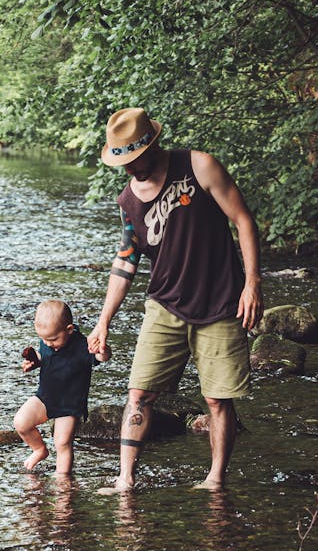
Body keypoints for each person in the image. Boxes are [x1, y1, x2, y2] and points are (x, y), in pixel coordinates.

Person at [86, 108, 264, 493]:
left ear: (153, 145)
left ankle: (215, 480)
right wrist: (103, 322)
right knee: (138, 394)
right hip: (164, 305)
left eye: (135, 160)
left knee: (217, 400)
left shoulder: (199, 167)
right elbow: (125, 262)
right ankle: (125, 480)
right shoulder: (128, 201)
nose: (131, 170)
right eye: (124, 163)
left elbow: (244, 221)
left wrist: (252, 284)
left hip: (220, 303)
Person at [14, 299, 110, 475]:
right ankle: (39, 450)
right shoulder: (48, 339)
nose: (48, 343)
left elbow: (100, 359)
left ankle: (62, 478)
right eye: (43, 339)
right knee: (21, 422)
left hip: (69, 404)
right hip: (45, 397)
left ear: (69, 330)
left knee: (62, 442)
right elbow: (46, 356)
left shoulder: (82, 345)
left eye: (53, 339)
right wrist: (35, 361)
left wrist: (102, 350)